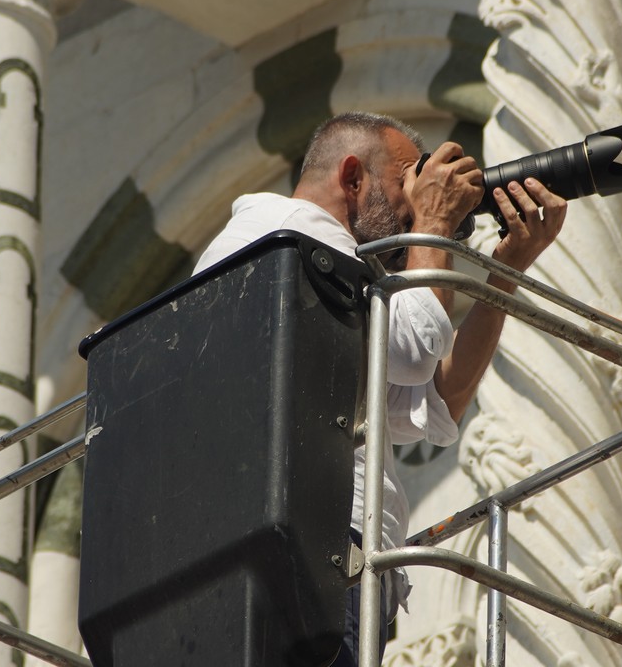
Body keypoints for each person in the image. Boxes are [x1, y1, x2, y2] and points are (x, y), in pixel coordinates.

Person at [193, 111, 567, 666]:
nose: (414, 207)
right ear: (352, 179)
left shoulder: (317, 270)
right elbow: (418, 349)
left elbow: (439, 403)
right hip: (310, 560)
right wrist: (433, 224)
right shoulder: (290, 235)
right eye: (405, 188)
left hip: (325, 563)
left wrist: (504, 271)